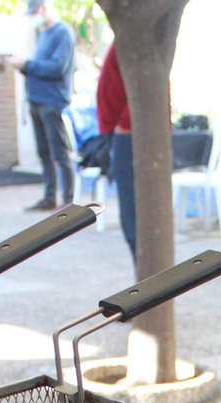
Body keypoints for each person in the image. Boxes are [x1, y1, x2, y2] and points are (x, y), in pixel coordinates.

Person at [14, 0, 75, 211]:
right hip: (36, 100)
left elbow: (58, 67)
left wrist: (27, 65)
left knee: (59, 152)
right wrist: (25, 68)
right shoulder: (43, 33)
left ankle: (68, 200)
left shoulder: (63, 33)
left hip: (52, 101)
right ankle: (49, 197)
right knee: (44, 152)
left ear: (44, 7)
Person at [95, 41, 135, 259]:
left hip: (128, 134)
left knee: (134, 219)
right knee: (130, 217)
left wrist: (125, 125)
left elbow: (146, 87)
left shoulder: (136, 37)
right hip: (119, 131)